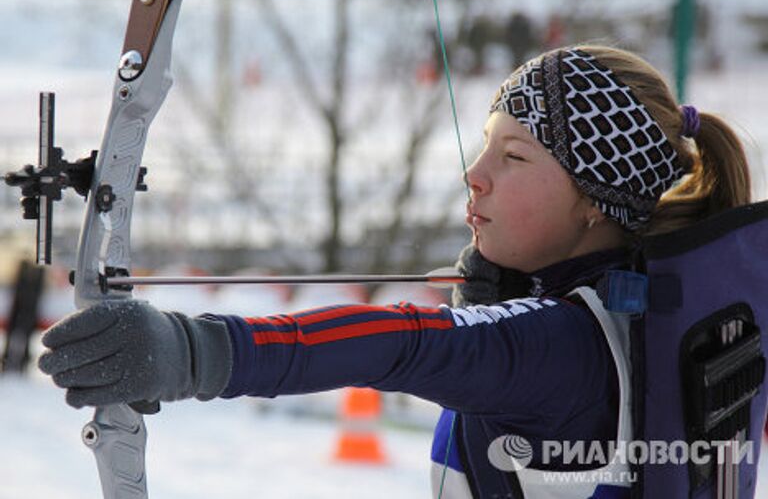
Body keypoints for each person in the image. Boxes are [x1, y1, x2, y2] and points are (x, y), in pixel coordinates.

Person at [38, 45, 762, 499]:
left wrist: (196, 352)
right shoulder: (641, 315)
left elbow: (401, 342)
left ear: (594, 205)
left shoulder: (564, 350)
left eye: (514, 158)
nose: (474, 176)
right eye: (484, 147)